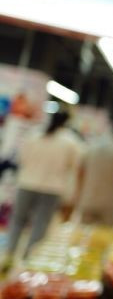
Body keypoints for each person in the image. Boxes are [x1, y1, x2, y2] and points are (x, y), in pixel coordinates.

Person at [3, 111, 81, 265]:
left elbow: (21, 159)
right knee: (41, 223)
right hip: (52, 188)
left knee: (18, 219)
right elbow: (74, 167)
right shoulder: (70, 141)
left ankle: (9, 254)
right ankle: (28, 259)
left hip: (27, 183)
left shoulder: (34, 134)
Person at [75, 121, 113, 227]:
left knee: (85, 232)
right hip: (109, 202)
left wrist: (79, 194)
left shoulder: (92, 147)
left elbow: (80, 172)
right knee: (106, 233)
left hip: (88, 198)